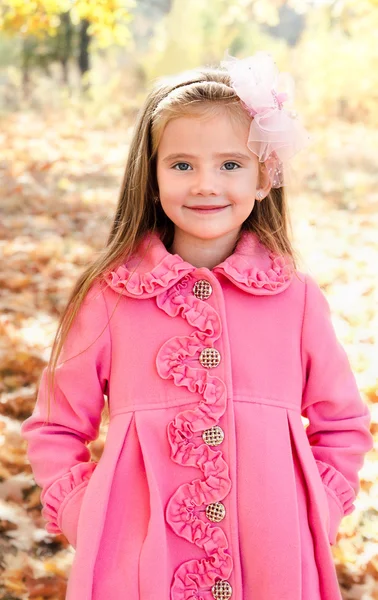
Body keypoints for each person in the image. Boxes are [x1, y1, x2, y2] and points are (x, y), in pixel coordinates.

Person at [20, 51, 373, 600]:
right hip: (137, 558)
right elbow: (56, 426)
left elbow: (343, 423)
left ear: (264, 177)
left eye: (230, 164)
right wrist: (83, 512)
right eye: (182, 165)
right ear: (153, 176)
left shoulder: (296, 298)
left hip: (274, 553)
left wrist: (316, 509)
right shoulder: (111, 296)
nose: (205, 183)